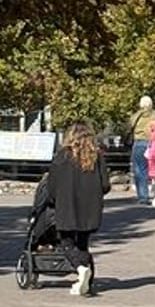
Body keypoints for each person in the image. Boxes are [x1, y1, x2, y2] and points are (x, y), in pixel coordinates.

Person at [47, 122, 110, 296]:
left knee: (66, 243)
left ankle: (81, 269)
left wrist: (53, 200)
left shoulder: (62, 156)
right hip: (90, 209)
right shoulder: (96, 157)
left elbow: (52, 186)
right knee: (83, 244)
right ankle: (87, 281)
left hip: (67, 207)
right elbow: (105, 185)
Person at [128, 96, 155, 205]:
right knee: (147, 169)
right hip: (150, 142)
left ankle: (142, 196)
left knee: (138, 170)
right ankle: (146, 195)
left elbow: (128, 127)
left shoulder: (136, 116)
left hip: (138, 142)